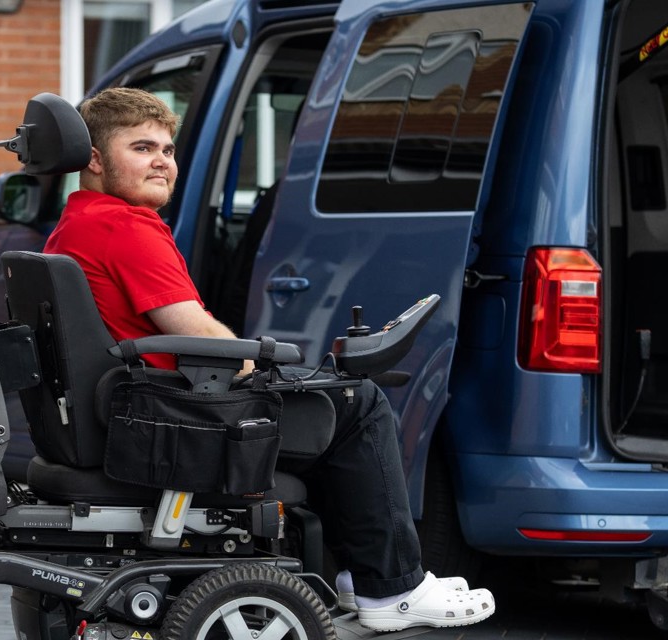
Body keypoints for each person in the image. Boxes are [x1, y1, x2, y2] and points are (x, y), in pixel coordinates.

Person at [43, 87, 495, 633]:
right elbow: (193, 332)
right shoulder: (125, 227)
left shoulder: (76, 222)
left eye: (167, 148)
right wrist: (256, 366)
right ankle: (392, 588)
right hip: (175, 419)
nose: (163, 161)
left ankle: (361, 577)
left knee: (321, 397)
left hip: (132, 408)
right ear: (94, 158)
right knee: (356, 402)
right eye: (142, 148)